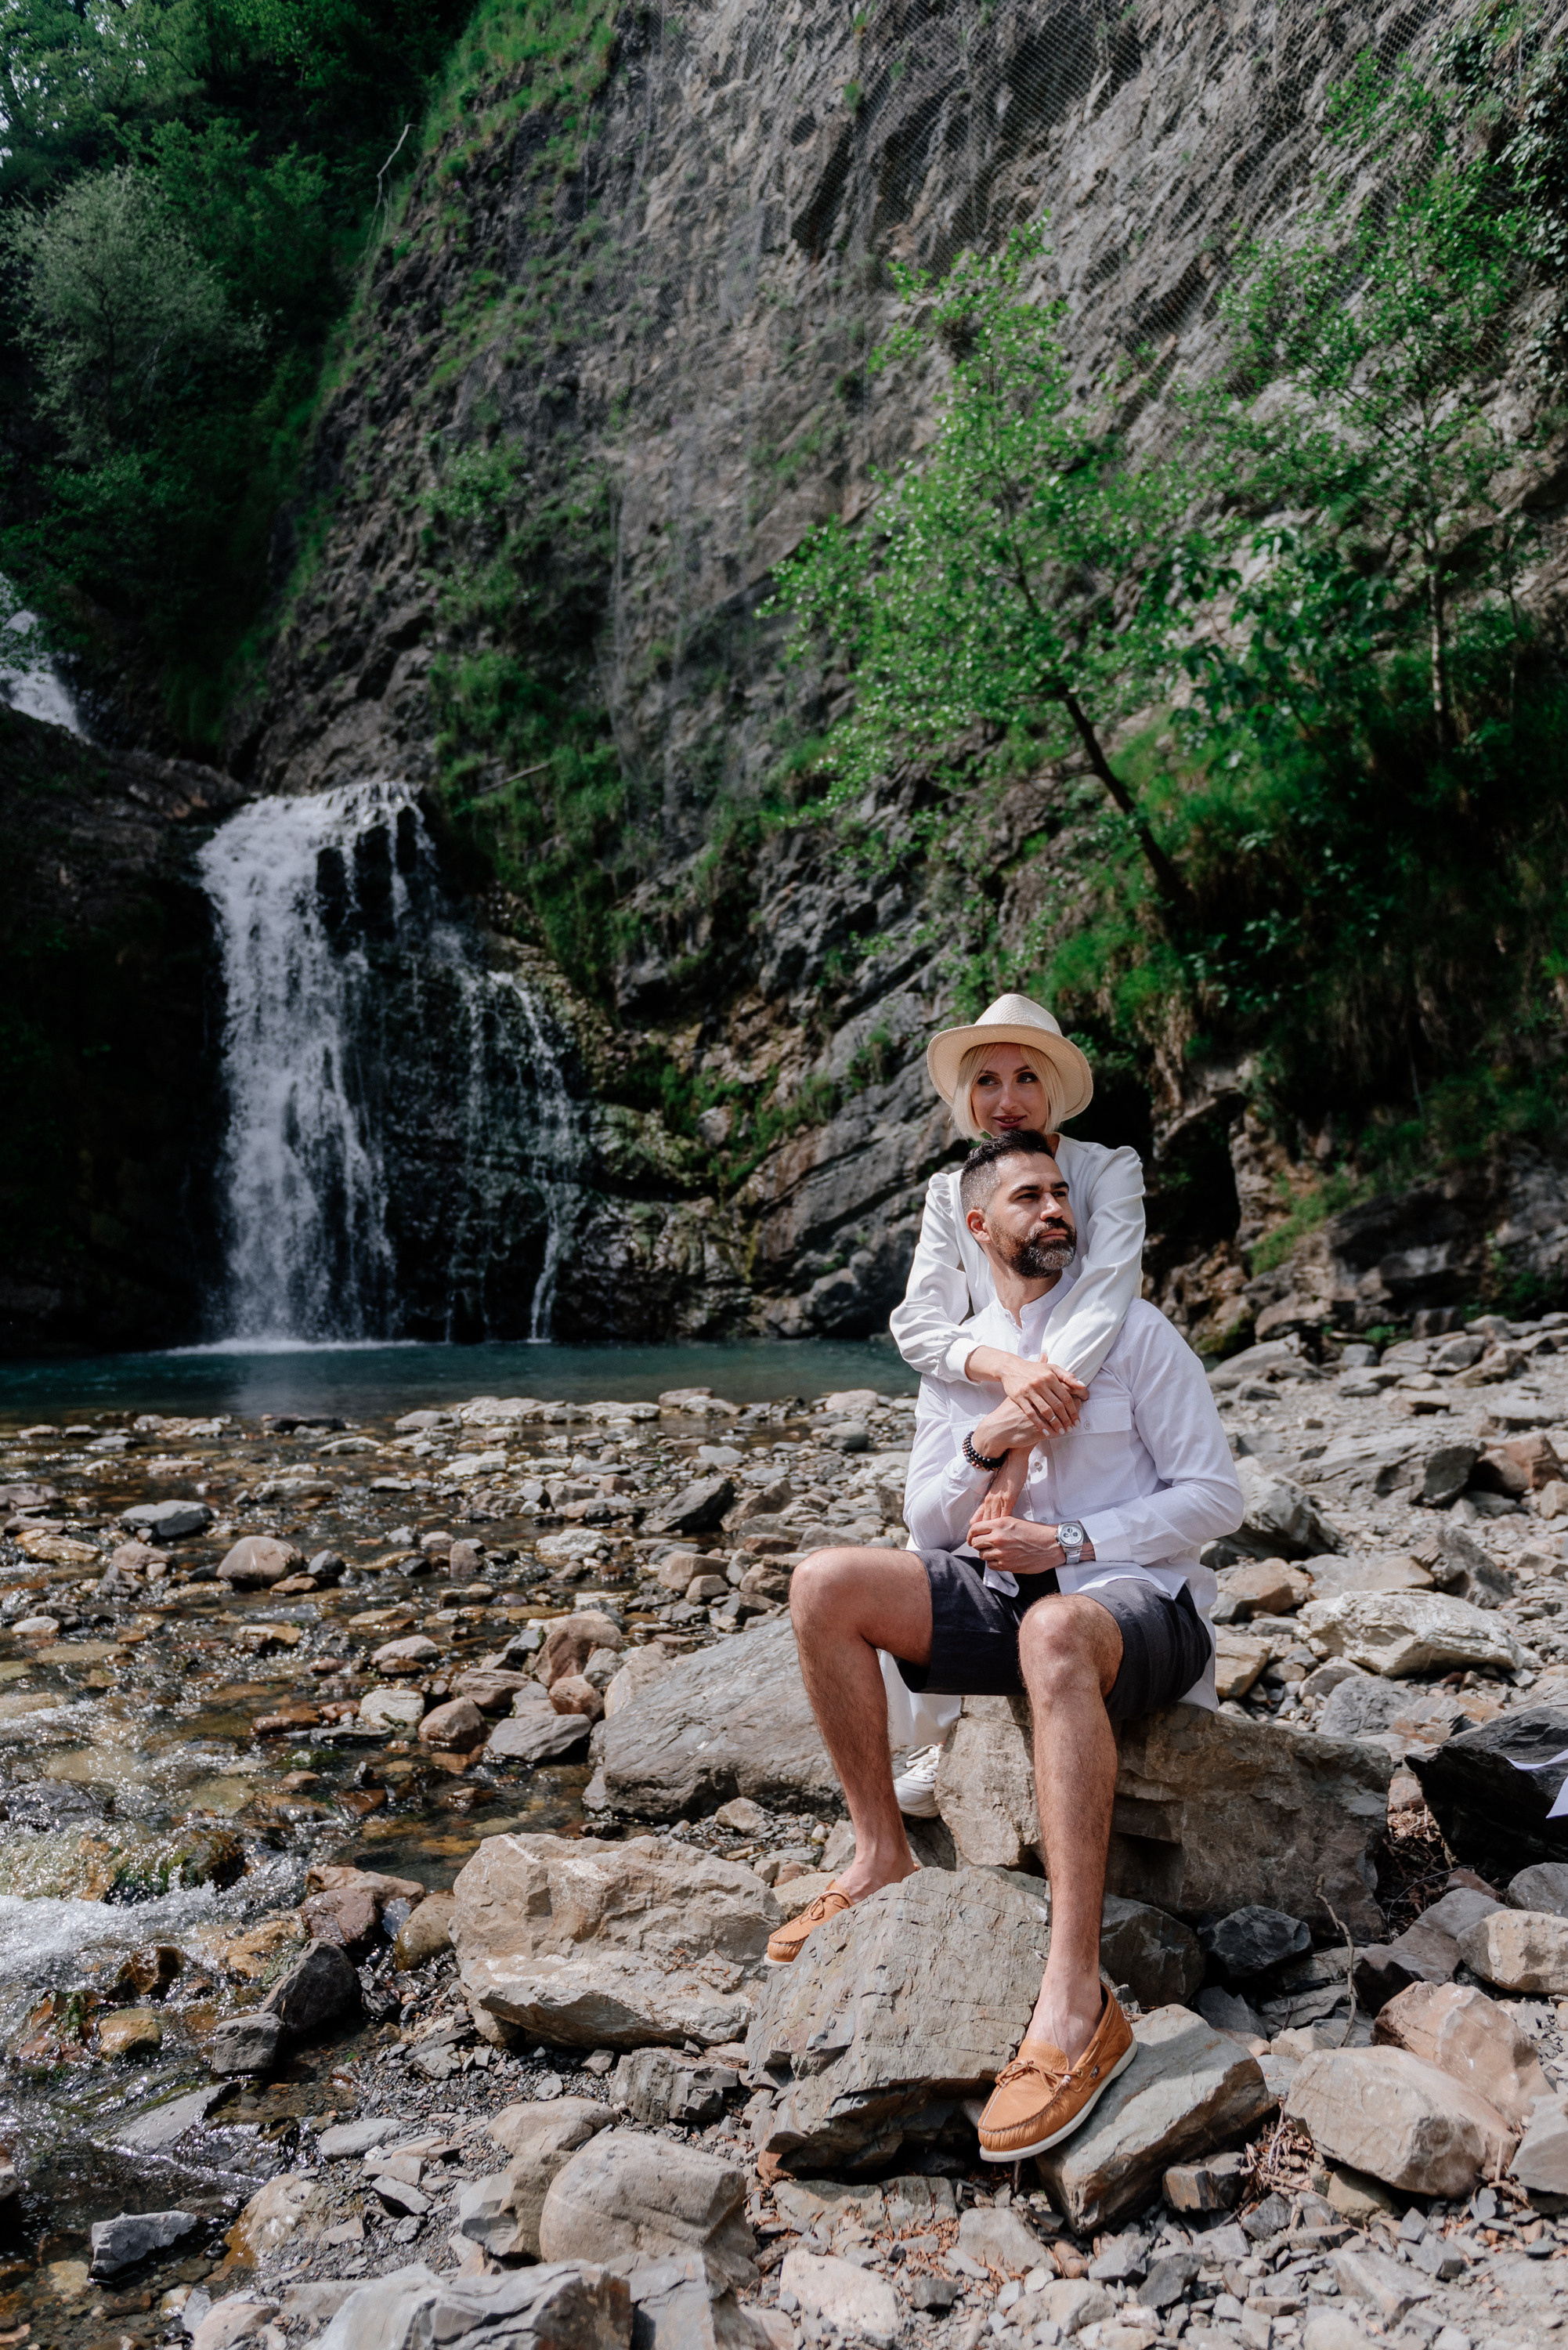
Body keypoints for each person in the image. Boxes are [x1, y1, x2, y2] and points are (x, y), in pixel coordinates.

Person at [768, 1131, 1241, 2160]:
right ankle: (880, 1852)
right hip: (1001, 1595)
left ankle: (1076, 2002)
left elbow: (1215, 1498)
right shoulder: (963, 1355)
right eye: (1030, 1197)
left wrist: (1066, 1540)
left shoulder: (1136, 1335)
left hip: (1135, 1605)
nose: (1057, 1211)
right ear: (977, 1226)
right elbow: (931, 1523)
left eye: (1064, 1195)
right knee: (823, 1585)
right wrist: (987, 1436)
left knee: (1052, 1625)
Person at [886, 992, 1147, 1816]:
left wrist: (1021, 1440)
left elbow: (1104, 1294)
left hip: (1090, 1373)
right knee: (934, 1531)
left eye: (1026, 1076)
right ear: (964, 1098)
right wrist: (1000, 1374)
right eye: (987, 1080)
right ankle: (938, 1733)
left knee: (1078, 1529)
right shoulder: (946, 1192)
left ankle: (1115, 1667)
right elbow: (917, 1320)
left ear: (1053, 1091)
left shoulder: (1106, 1170)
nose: (1006, 1100)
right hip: (986, 1384)